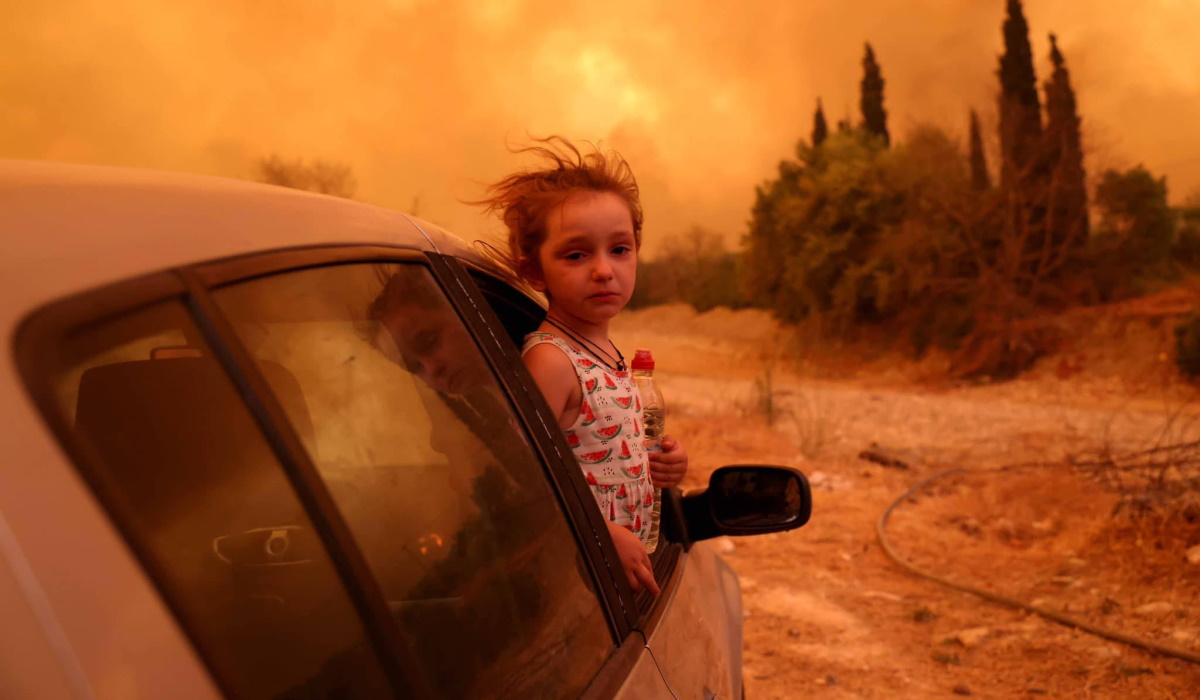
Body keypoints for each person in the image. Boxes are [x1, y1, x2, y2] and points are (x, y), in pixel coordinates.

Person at [474, 137, 689, 596]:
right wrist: (598, 532)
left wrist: (660, 465)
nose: (604, 270)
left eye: (619, 249)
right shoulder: (552, 360)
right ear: (534, 273)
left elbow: (600, 449)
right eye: (576, 255)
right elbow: (522, 475)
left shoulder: (604, 353)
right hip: (580, 574)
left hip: (614, 575)